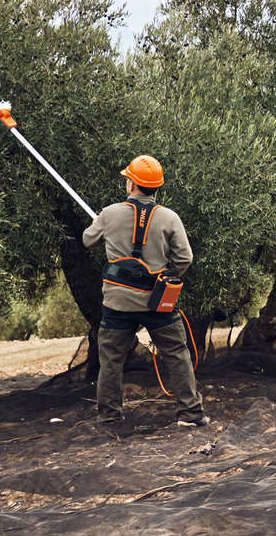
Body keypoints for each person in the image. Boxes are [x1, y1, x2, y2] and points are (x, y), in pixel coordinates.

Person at [84, 154, 206, 427]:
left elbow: (87, 240)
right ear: (156, 187)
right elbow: (185, 259)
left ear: (131, 185)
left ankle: (110, 418)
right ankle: (190, 413)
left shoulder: (109, 213)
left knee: (111, 360)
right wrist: (167, 277)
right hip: (157, 302)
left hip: (117, 304)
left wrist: (101, 223)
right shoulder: (169, 217)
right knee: (176, 352)